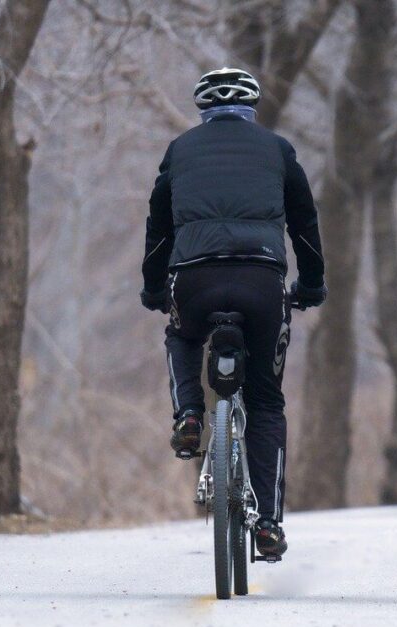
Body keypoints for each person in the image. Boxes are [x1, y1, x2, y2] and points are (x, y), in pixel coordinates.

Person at [140, 67, 327, 558]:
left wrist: (154, 286)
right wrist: (312, 283)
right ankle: (267, 522)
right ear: (253, 107)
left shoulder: (179, 151)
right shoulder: (278, 149)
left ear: (202, 109)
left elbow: (158, 226)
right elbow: (304, 222)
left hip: (194, 278)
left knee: (181, 336)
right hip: (262, 280)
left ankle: (188, 415)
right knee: (266, 402)